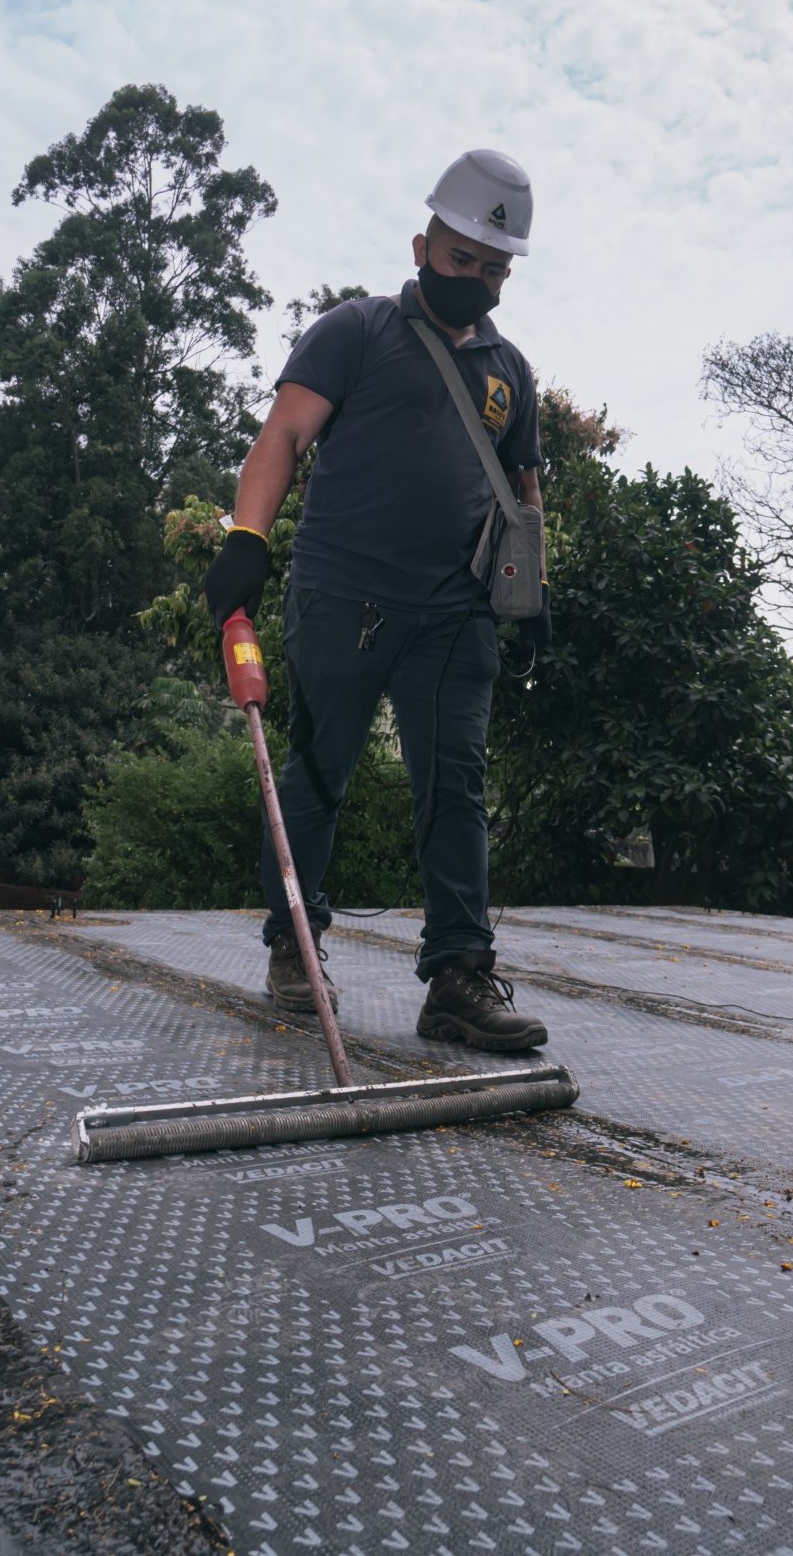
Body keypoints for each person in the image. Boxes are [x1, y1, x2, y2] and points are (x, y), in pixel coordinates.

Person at [202, 150, 551, 1052]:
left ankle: (459, 978)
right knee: (318, 777)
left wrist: (531, 588)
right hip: (341, 596)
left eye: (493, 267)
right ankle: (295, 946)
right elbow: (283, 432)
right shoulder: (354, 331)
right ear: (422, 243)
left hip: (455, 614)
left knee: (456, 788)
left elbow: (522, 493)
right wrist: (248, 539)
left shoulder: (512, 371)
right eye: (460, 258)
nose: (475, 277)